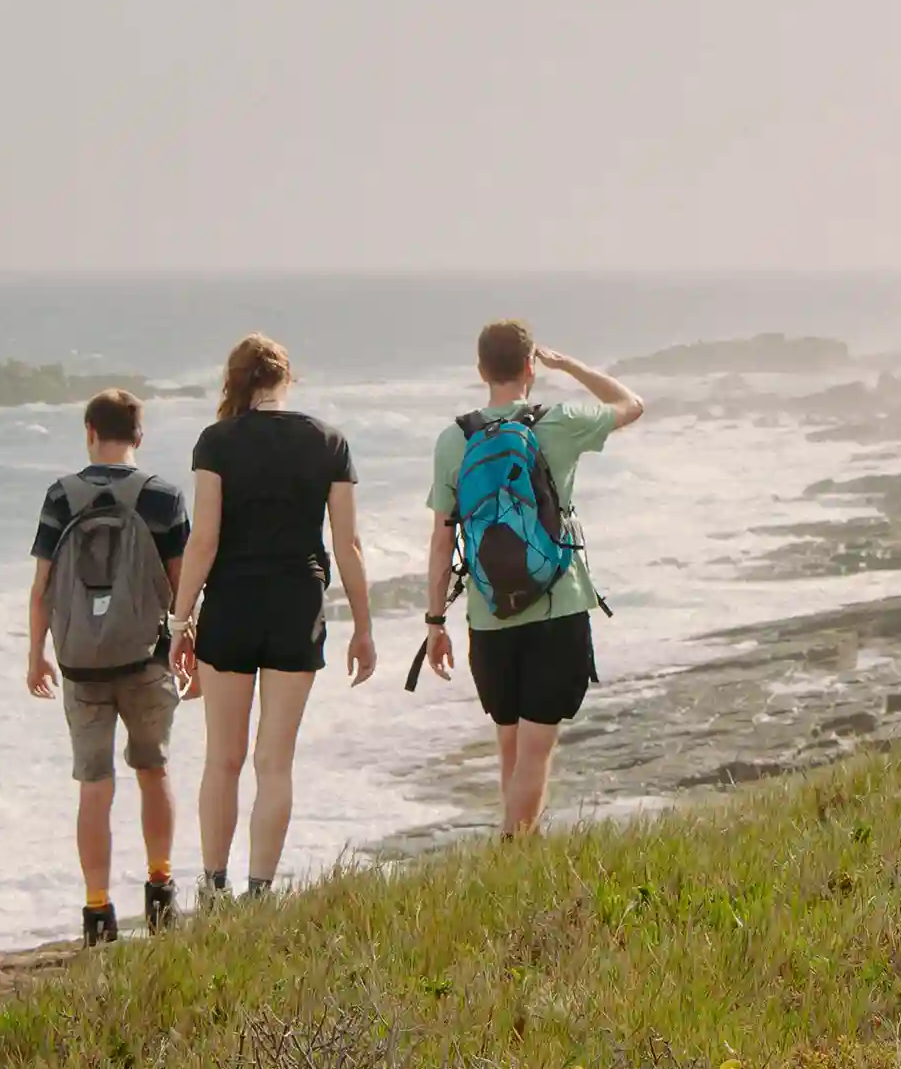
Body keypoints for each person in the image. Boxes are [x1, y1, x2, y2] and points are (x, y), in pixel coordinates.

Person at [420, 321, 644, 837]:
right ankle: (511, 850)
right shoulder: (559, 422)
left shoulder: (455, 439)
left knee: (511, 744)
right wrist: (572, 367)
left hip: (489, 613)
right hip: (556, 605)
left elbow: (440, 540)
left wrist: (435, 622)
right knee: (536, 751)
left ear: (480, 371)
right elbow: (632, 404)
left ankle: (519, 851)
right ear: (530, 368)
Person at [175, 335, 373, 901]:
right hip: (297, 606)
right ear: (287, 379)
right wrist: (363, 626)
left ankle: (214, 888)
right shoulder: (329, 442)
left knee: (223, 757)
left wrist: (180, 622)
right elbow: (348, 544)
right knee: (274, 761)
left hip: (232, 605)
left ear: (238, 380)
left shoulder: (217, 442)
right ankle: (259, 893)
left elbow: (203, 541)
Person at [25, 389, 196, 942]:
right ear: (139, 437)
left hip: (80, 667)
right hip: (147, 660)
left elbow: (41, 588)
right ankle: (160, 890)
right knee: (154, 771)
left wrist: (37, 655)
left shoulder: (61, 496)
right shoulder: (163, 497)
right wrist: (188, 647)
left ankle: (97, 911)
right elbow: (181, 588)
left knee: (94, 787)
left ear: (90, 433)